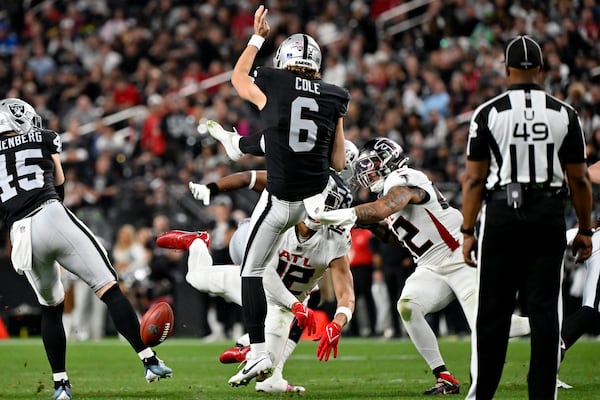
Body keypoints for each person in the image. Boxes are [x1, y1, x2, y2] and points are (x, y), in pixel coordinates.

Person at [314, 137, 531, 395]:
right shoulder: (389, 192)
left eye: (371, 163)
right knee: (408, 306)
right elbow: (398, 236)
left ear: (388, 159)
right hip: (430, 266)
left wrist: (344, 216)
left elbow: (384, 207)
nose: (366, 172)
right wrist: (368, 224)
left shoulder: (403, 178)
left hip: (459, 257)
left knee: (487, 325)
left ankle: (547, 325)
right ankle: (444, 376)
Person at [206, 5, 348, 387]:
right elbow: (338, 158)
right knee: (293, 266)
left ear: (285, 60)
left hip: (281, 196)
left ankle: (256, 352)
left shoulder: (275, 81)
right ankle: (241, 145)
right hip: (312, 201)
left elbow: (238, 78)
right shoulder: (335, 96)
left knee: (251, 270)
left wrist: (257, 37)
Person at [0, 98, 172, 400]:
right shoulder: (44, 137)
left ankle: (61, 385)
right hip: (49, 213)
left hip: (20, 235)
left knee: (50, 309)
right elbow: (61, 182)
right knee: (109, 288)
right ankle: (148, 360)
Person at [459, 35, 593, 399]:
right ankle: (542, 395)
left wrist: (468, 229)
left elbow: (473, 178)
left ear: (506, 69)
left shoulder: (488, 112)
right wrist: (584, 228)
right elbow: (579, 179)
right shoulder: (565, 113)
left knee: (492, 312)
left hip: (502, 211)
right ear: (540, 68)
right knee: (546, 311)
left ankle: (482, 392)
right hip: (548, 212)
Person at [159, 170, 355, 393]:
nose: (326, 211)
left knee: (267, 369)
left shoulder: (336, 239)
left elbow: (347, 295)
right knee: (195, 277)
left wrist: (337, 323)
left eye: (332, 207)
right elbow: (262, 272)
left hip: (284, 307)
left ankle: (251, 351)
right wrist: (296, 305)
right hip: (257, 284)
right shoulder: (283, 219)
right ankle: (197, 242)